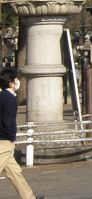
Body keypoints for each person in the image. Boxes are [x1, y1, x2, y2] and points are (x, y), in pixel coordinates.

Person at [0, 68, 46, 199]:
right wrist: (11, 137)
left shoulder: (3, 96)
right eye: (16, 79)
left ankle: (28, 197)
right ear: (11, 83)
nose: (18, 81)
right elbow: (8, 121)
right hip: (4, 141)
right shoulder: (9, 98)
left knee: (15, 172)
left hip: (3, 140)